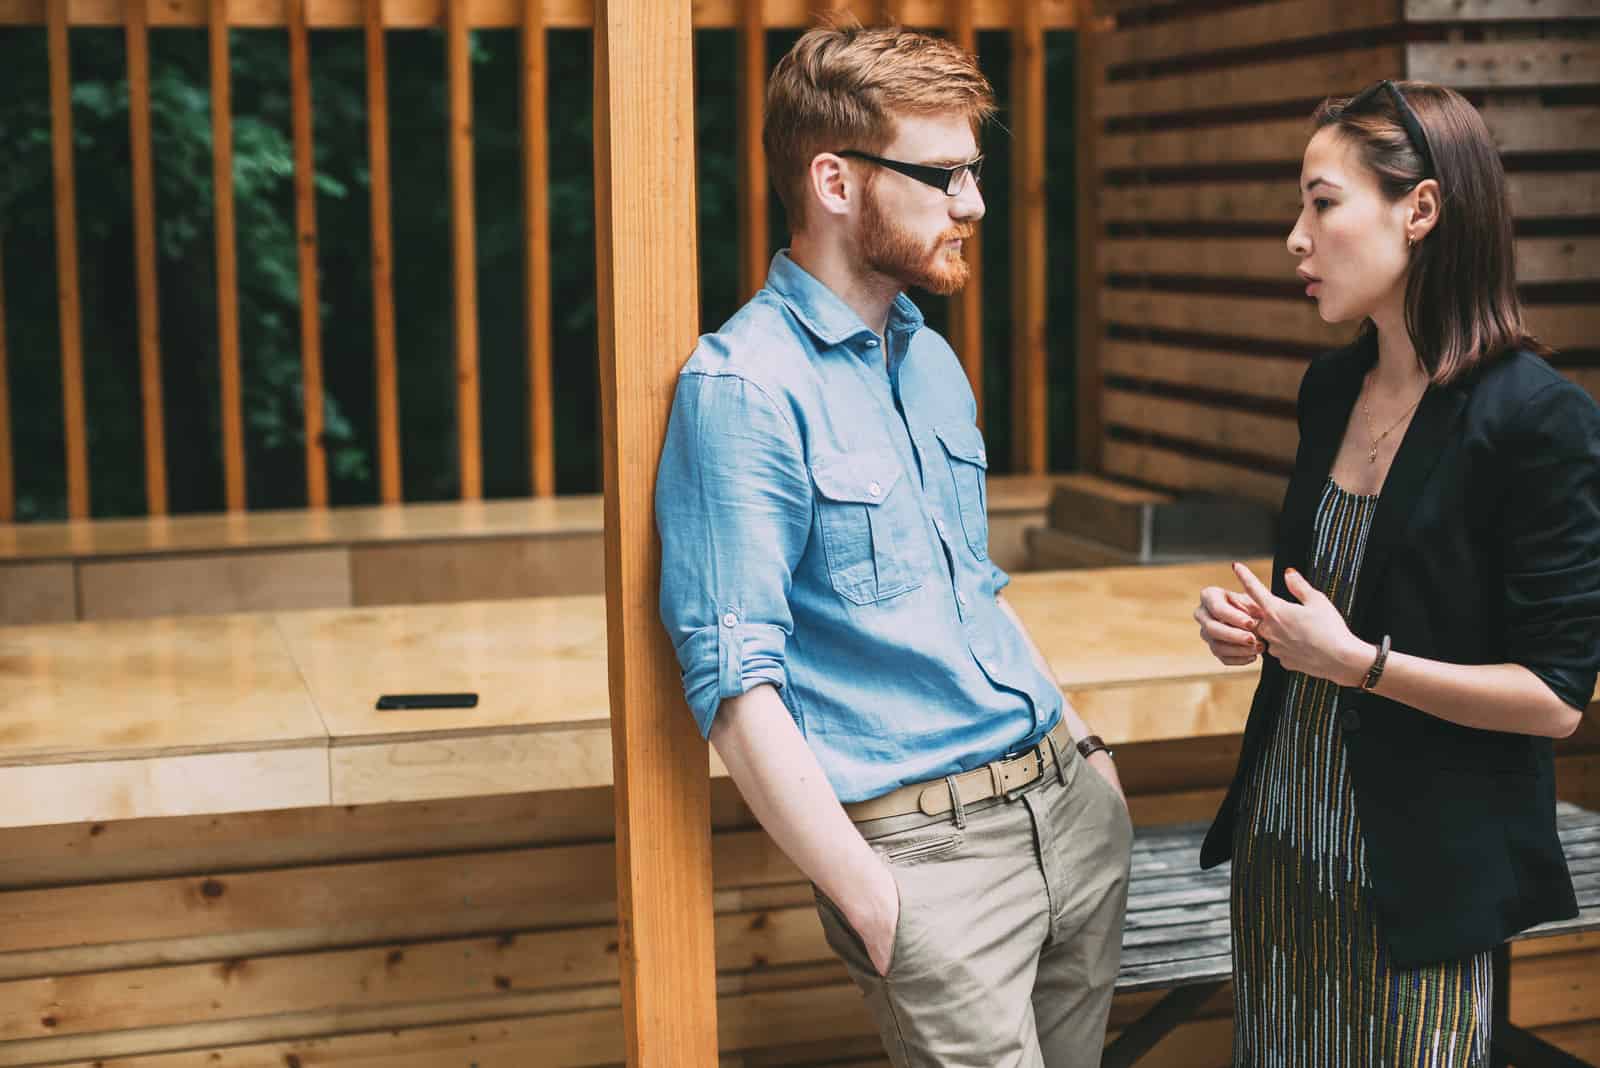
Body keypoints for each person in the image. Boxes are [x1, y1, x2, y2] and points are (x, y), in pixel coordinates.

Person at [655, 23, 1132, 1068]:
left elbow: (973, 594)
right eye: (944, 174)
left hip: (1068, 816)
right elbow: (736, 692)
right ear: (833, 180)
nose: (973, 203)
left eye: (973, 171)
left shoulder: (930, 363)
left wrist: (1088, 760)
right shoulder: (742, 389)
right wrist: (872, 897)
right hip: (930, 866)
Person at [1193, 79, 1600, 1067]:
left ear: (1418, 210)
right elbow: (1331, 611)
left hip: (1420, 886)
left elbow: (1552, 699)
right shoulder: (1328, 388)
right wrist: (1260, 632)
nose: (1295, 236)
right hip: (1285, 850)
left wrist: (1355, 663)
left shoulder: (1536, 419)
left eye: (1321, 202)